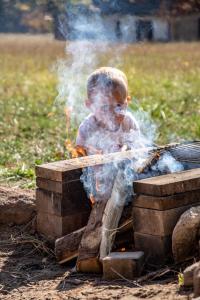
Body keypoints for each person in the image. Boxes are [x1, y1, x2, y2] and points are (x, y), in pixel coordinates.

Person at [75, 67, 141, 202]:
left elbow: (138, 148)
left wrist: (127, 150)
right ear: (90, 105)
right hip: (95, 180)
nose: (112, 113)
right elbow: (78, 153)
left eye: (118, 105)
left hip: (124, 177)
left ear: (127, 101)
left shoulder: (128, 123)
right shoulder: (88, 127)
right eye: (104, 107)